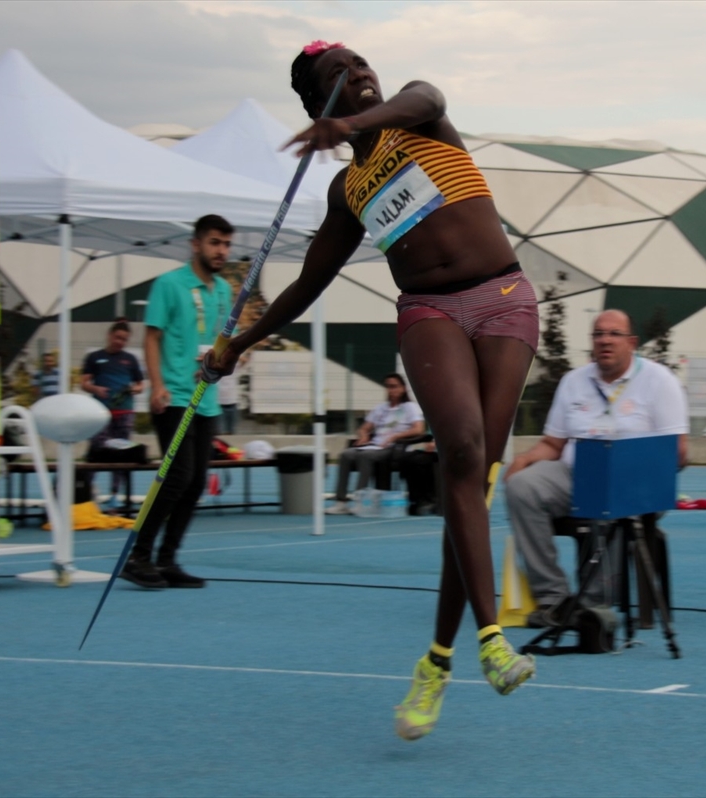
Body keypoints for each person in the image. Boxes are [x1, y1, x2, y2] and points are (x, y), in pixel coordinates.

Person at [202, 40, 539, 741]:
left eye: (359, 63)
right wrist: (240, 341)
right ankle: (490, 641)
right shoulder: (346, 190)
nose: (356, 72)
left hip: (505, 297)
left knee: (469, 490)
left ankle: (436, 662)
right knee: (464, 454)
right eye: (336, 75)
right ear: (313, 104)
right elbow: (306, 285)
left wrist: (354, 124)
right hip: (430, 311)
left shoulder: (417, 118)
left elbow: (428, 96)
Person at [504, 310, 688, 628]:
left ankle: (593, 606)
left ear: (632, 343)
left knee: (608, 500)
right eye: (598, 334)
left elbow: (679, 453)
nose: (605, 340)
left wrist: (632, 466)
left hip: (635, 484)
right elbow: (553, 444)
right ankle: (553, 599)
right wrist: (523, 460)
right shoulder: (573, 382)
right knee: (522, 486)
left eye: (614, 334)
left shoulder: (660, 382)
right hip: (576, 475)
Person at [121, 215, 234, 590]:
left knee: (197, 481)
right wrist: (156, 385)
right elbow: (152, 337)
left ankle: (167, 560)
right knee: (177, 477)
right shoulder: (169, 285)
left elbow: (219, 339)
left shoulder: (222, 290)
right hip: (173, 396)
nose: (222, 251)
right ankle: (138, 556)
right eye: (215, 243)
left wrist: (230, 357)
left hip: (207, 398)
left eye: (226, 244)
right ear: (196, 244)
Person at [327, 372, 425, 514]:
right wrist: (363, 436)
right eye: (388, 387)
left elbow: (419, 429)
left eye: (394, 386)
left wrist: (396, 436)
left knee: (365, 456)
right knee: (346, 455)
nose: (391, 390)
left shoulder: (410, 407)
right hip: (374, 444)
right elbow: (364, 428)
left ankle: (359, 500)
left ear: (403, 388)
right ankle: (340, 501)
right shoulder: (381, 408)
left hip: (392, 447)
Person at [81, 319, 145, 503]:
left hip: (124, 414)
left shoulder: (130, 360)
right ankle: (86, 493)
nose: (120, 342)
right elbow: (84, 383)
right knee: (96, 452)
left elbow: (141, 384)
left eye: (124, 339)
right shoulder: (94, 357)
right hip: (101, 414)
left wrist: (134, 389)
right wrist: (96, 389)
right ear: (110, 336)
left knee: (122, 455)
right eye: (118, 337)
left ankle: (116, 495)